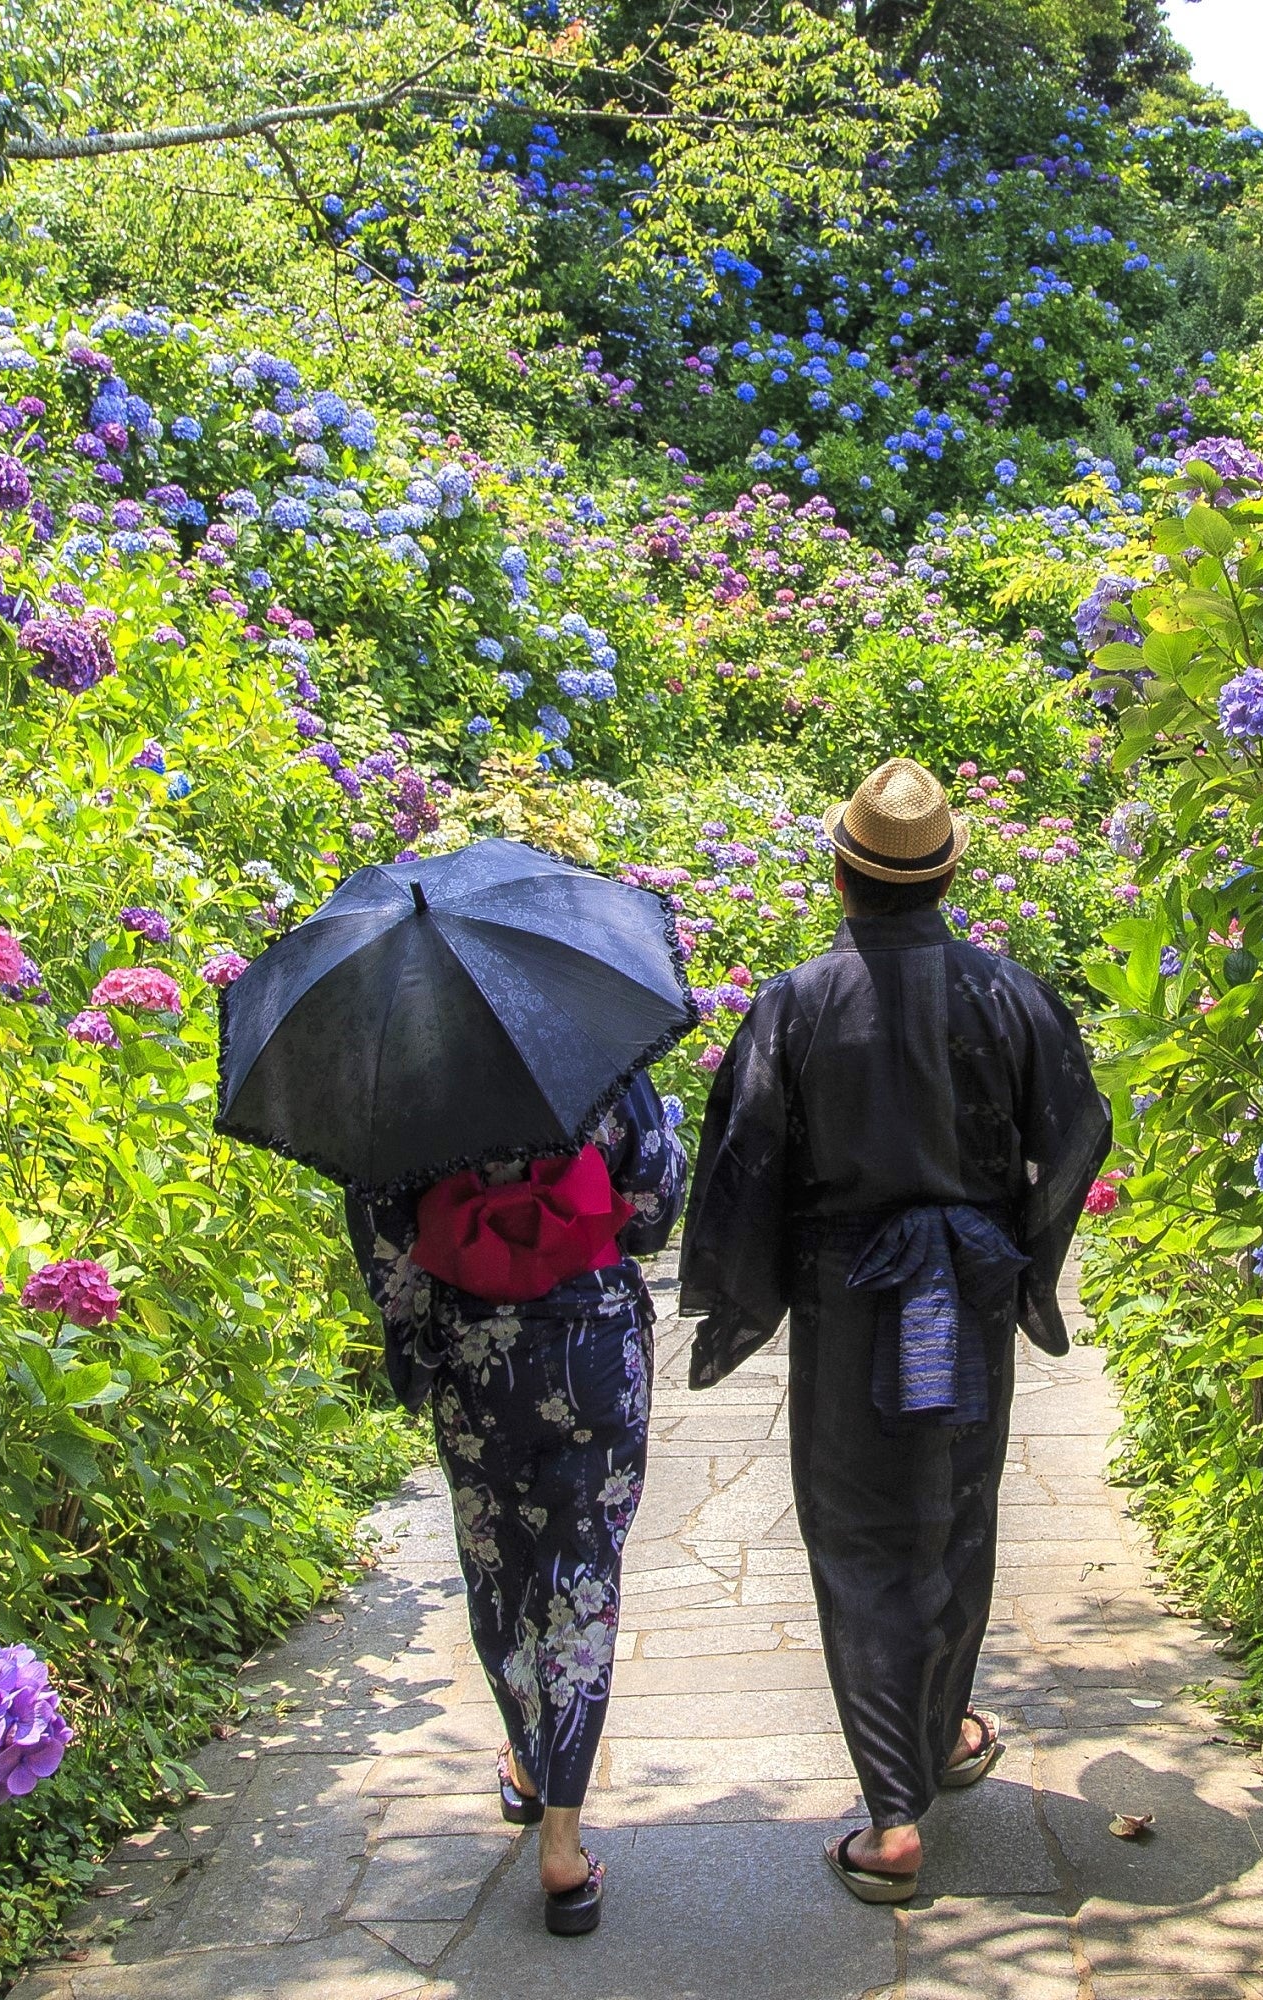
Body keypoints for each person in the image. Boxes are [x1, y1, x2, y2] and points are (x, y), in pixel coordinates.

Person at [678, 756, 1111, 1904]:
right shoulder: (1011, 990)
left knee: (861, 1532)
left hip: (852, 1294)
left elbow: (744, 1158)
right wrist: (1020, 1256)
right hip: (961, 1288)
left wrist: (748, 1288)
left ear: (841, 873)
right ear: (947, 876)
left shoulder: (798, 1001)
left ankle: (893, 1813)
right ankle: (943, 1736)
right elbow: (1076, 1134)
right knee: (956, 1510)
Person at [343, 1070, 686, 1938]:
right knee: (583, 1572)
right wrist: (666, 1127)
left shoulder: (415, 1071)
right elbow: (649, 1210)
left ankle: (530, 1767)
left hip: (476, 1342)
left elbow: (385, 1236)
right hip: (592, 1342)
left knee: (495, 1558)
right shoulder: (592, 1051)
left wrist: (422, 1334)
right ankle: (563, 1842)